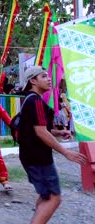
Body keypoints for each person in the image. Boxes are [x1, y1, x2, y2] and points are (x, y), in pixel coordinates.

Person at [18, 66, 87, 224]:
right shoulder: (35, 101)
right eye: (43, 76)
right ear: (33, 81)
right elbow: (41, 132)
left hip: (32, 156)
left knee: (46, 196)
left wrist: (57, 132)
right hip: (38, 158)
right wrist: (66, 152)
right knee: (54, 198)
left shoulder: (31, 99)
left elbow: (36, 129)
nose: (49, 79)